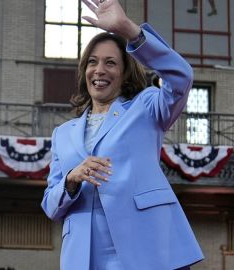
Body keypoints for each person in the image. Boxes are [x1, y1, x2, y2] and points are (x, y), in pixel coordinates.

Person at [41, 0, 204, 269]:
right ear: (84, 71)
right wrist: (71, 179)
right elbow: (50, 205)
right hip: (84, 256)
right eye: (92, 62)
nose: (100, 70)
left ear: (125, 72)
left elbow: (181, 77)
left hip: (144, 249)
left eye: (111, 63)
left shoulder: (147, 107)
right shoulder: (63, 134)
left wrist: (130, 31)